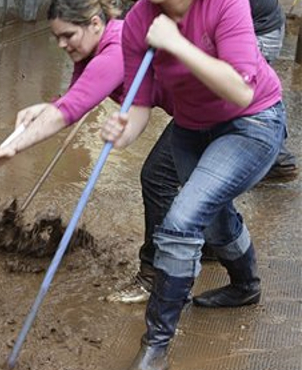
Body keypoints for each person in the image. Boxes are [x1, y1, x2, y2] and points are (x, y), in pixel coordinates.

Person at [101, 0, 286, 367]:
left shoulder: (224, 4)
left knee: (182, 220)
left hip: (252, 122)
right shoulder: (139, 20)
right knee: (212, 216)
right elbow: (139, 106)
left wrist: (177, 43)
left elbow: (241, 90)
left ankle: (155, 345)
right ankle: (246, 286)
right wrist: (122, 133)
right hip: (190, 130)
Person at [0, 0, 126, 174]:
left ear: (95, 23)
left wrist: (12, 147)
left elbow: (69, 109)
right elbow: (73, 99)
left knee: (153, 178)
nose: (61, 44)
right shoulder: (89, 51)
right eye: (57, 37)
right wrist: (50, 107)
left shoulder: (115, 49)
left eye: (68, 35)